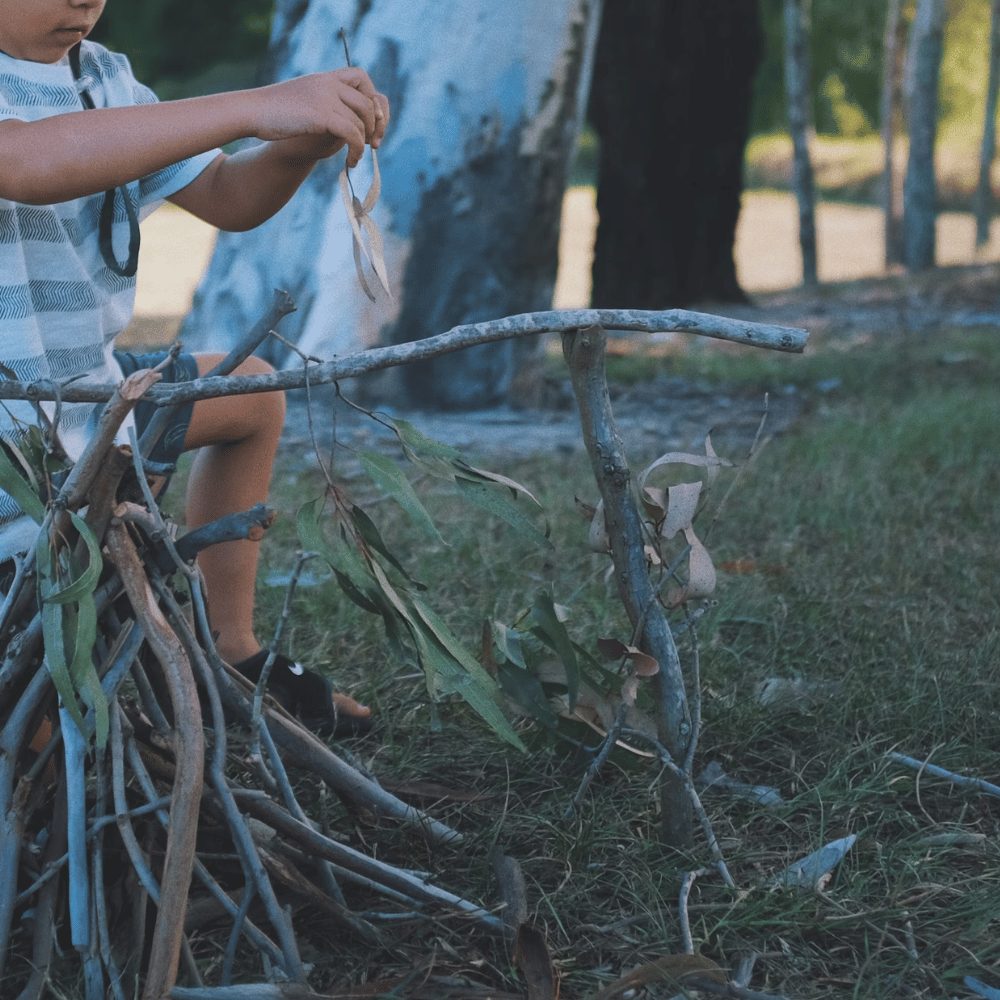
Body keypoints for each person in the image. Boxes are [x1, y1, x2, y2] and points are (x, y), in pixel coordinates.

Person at [0, 0, 387, 735]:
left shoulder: (104, 77)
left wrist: (298, 141)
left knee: (247, 394)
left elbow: (229, 197)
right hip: (9, 444)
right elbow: (24, 162)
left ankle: (232, 655)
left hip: (91, 402)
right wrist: (254, 104)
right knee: (50, 717)